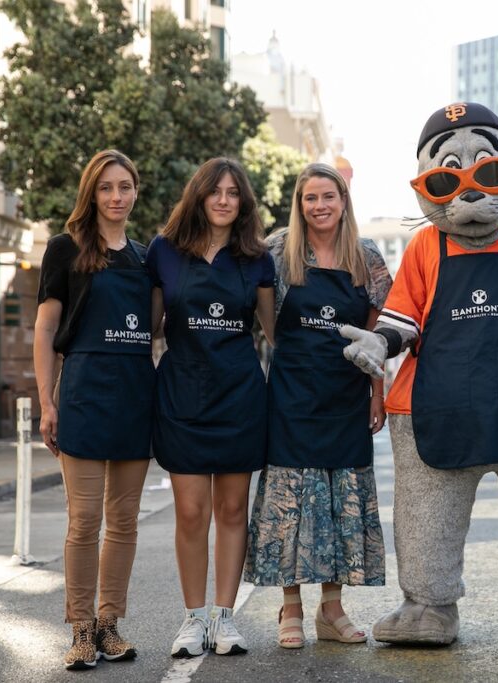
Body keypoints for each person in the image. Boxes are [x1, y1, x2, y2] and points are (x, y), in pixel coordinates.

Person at [243, 162, 391, 648]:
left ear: (343, 201)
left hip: (346, 397)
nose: (320, 206)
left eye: (329, 196)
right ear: (299, 203)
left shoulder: (366, 257)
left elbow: (376, 338)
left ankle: (332, 609)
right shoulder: (276, 252)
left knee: (338, 505)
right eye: (311, 198)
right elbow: (267, 327)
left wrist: (377, 393)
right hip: (291, 396)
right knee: (289, 505)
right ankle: (290, 608)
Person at [147, 158, 275, 658]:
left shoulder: (256, 258)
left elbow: (275, 335)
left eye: (233, 193)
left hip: (240, 395)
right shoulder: (164, 252)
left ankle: (224, 618)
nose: (224, 200)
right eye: (215, 191)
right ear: (198, 196)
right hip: (180, 394)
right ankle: (193, 618)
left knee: (232, 509)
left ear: (243, 203)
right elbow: (150, 330)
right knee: (190, 511)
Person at [34, 149, 155, 670]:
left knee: (124, 521)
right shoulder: (65, 249)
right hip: (82, 394)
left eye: (124, 186)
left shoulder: (146, 259)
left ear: (135, 192)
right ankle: (80, 630)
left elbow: (153, 332)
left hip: (134, 396)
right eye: (106, 187)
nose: (116, 197)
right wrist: (46, 400)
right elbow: (43, 328)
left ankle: (109, 626)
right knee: (84, 522)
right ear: (92, 192)